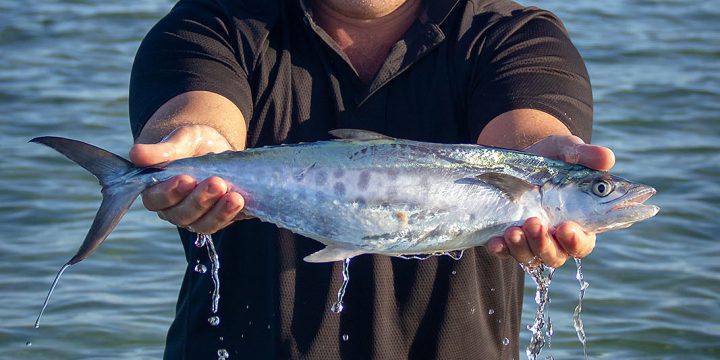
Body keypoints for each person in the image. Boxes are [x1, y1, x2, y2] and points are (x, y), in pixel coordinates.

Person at [128, 0, 615, 358]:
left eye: (598, 190)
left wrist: (539, 154)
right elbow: (202, 110)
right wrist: (190, 147)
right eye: (598, 190)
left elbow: (525, 132)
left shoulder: (512, 34)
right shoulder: (213, 22)